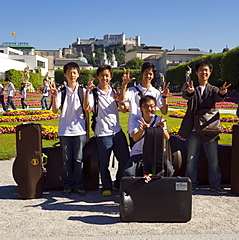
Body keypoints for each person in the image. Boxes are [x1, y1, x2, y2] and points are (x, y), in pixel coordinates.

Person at [178, 60, 231, 194]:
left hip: (209, 129)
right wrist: (189, 92)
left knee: (213, 159)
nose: (204, 72)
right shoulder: (191, 87)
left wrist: (222, 93)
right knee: (191, 159)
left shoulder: (213, 89)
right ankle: (191, 183)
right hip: (193, 129)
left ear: (210, 73)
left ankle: (215, 184)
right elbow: (185, 95)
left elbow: (218, 97)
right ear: (196, 73)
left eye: (206, 70)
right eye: (201, 70)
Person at [84, 65, 130, 196]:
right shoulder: (94, 93)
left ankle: (118, 181)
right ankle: (106, 185)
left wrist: (120, 98)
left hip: (117, 130)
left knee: (125, 159)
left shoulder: (114, 91)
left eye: (107, 75)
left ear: (110, 77)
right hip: (103, 132)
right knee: (104, 163)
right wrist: (87, 91)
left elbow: (123, 109)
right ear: (98, 77)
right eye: (102, 75)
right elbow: (87, 106)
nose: (104, 78)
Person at [49, 62, 87, 196]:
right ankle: (68, 185)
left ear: (78, 74)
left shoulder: (82, 91)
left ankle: (79, 185)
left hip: (80, 129)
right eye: (69, 72)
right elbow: (54, 110)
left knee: (78, 159)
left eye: (74, 72)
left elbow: (88, 108)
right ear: (65, 75)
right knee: (66, 160)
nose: (72, 75)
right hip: (65, 130)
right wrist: (54, 97)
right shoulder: (61, 92)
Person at [119, 62, 170, 148]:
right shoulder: (132, 90)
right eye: (146, 73)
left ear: (153, 75)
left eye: (150, 74)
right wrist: (124, 85)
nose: (148, 76)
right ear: (142, 74)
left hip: (151, 127)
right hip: (135, 127)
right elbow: (122, 100)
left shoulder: (155, 92)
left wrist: (164, 97)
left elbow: (164, 111)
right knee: (136, 155)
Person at [125, 95, 172, 176]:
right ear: (141, 108)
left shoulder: (159, 119)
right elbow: (135, 138)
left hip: (156, 152)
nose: (149, 109)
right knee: (129, 172)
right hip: (139, 153)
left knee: (169, 170)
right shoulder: (135, 120)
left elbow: (167, 137)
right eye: (146, 106)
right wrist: (142, 130)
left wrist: (161, 129)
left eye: (152, 106)